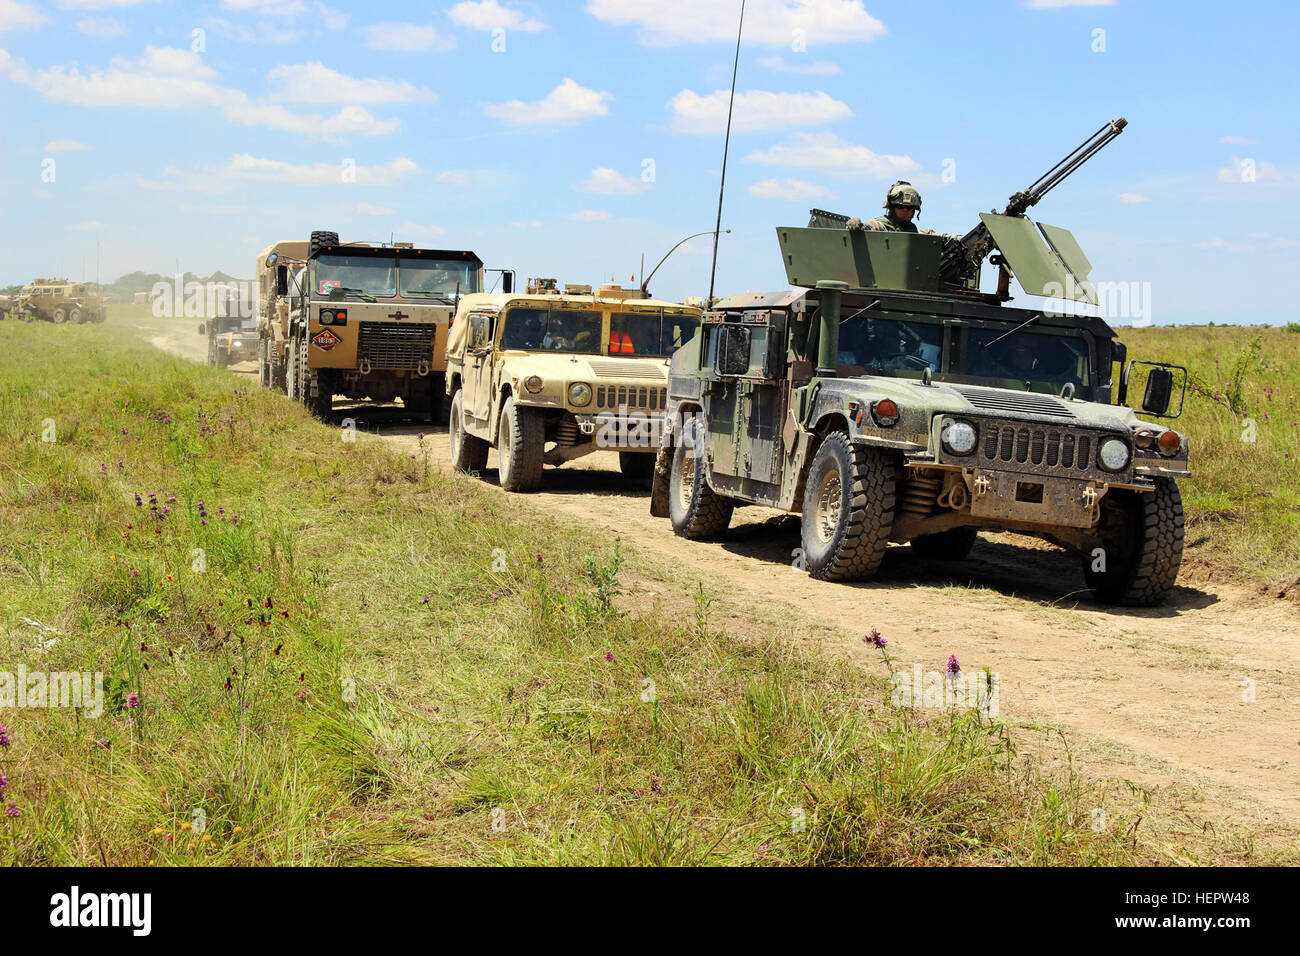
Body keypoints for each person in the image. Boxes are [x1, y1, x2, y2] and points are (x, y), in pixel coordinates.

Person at [847, 181, 940, 235]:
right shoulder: (880, 227)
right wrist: (856, 225)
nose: (905, 210)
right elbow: (867, 226)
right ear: (891, 208)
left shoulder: (914, 232)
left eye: (910, 208)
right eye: (900, 206)